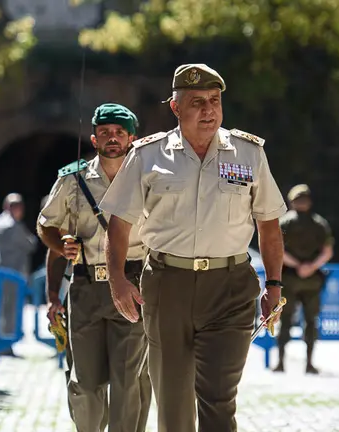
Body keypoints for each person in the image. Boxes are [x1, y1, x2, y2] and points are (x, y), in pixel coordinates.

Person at [101, 63, 287, 432]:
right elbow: (119, 224)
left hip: (230, 287)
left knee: (218, 397)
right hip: (167, 285)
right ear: (175, 107)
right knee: (173, 403)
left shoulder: (249, 154)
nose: (208, 110)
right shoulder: (147, 156)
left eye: (215, 101)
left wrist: (275, 286)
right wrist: (118, 280)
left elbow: (269, 225)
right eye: (197, 102)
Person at [37, 103, 151, 432]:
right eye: (105, 133)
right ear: (94, 138)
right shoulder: (72, 180)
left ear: (132, 137)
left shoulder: (149, 180)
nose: (112, 138)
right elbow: (47, 225)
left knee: (128, 380)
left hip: (133, 286)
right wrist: (60, 248)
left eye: (118, 133)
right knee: (84, 383)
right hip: (86, 288)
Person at [273, 184, 334, 374]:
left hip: (289, 278)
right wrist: (311, 267)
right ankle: (309, 363)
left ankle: (281, 362)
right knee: (310, 321)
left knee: (285, 320)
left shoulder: (284, 222)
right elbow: (327, 251)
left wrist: (297, 266)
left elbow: (277, 249)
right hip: (312, 280)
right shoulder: (320, 223)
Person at [0, 193, 37, 349]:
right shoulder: (12, 225)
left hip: (1, 272)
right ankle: (6, 345)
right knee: (10, 309)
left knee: (2, 308)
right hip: (12, 274)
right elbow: (31, 244)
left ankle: (1, 343)